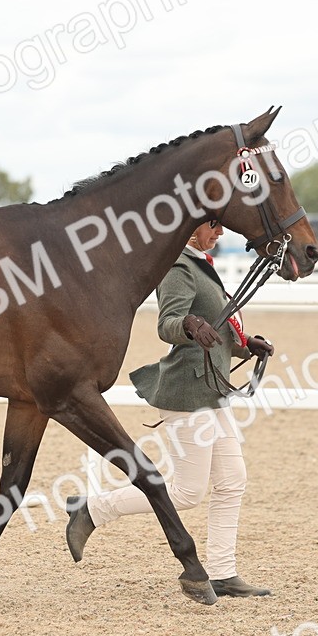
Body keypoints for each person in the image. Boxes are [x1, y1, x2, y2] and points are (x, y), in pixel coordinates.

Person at [66, 219, 274, 597]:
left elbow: (220, 327)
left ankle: (224, 573)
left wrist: (247, 347)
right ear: (192, 229)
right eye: (213, 227)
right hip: (189, 390)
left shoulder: (201, 263)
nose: (220, 234)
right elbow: (168, 324)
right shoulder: (179, 266)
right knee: (187, 492)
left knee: (232, 481)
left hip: (212, 390)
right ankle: (93, 510)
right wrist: (190, 324)